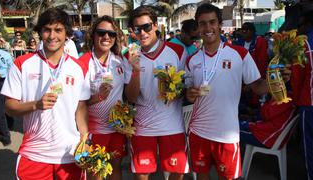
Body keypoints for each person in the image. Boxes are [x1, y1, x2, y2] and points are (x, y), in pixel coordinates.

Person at [1, 8, 90, 179]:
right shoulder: (22, 63)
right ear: (40, 32)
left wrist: (85, 139)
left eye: (58, 30)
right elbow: (9, 107)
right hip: (35, 153)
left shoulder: (78, 67)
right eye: (47, 30)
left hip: (70, 153)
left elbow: (81, 108)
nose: (52, 36)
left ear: (67, 34)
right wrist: (36, 105)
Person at [185, 3, 268, 180]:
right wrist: (189, 95)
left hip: (227, 133)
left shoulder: (239, 54)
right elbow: (187, 94)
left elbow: (258, 87)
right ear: (198, 26)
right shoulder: (191, 60)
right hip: (198, 131)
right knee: (202, 176)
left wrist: (278, 80)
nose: (208, 28)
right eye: (203, 23)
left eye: (212, 22)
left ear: (220, 24)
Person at [125, 6, 189, 180]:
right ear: (133, 31)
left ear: (155, 26)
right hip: (143, 127)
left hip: (172, 125)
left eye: (146, 27)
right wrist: (135, 70)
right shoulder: (129, 56)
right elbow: (130, 97)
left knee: (177, 173)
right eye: (137, 29)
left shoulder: (178, 51)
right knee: (142, 174)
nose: (143, 33)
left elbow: (186, 87)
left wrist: (176, 90)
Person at [79, 15, 131, 180]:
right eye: (101, 32)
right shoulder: (83, 62)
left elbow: (131, 91)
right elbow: (76, 104)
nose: (106, 37)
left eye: (111, 34)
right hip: (94, 129)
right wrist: (98, 97)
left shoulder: (120, 60)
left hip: (116, 127)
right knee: (96, 172)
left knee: (115, 167)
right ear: (93, 35)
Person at [292, 5, 313, 180]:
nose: (298, 29)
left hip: (309, 103)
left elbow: (296, 78)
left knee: (309, 147)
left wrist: (296, 100)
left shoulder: (304, 44)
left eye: (300, 25)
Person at [0, 32, 13, 146]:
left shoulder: (5, 54)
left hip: (0, 83)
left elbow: (11, 69)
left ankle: (5, 137)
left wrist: (0, 74)